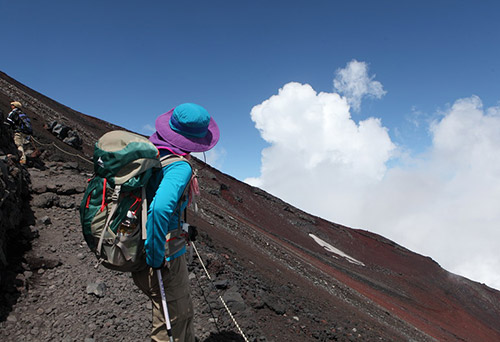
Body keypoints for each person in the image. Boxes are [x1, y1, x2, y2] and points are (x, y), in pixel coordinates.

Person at [132, 103, 219, 342]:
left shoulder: (152, 153)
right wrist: (156, 256)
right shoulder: (179, 167)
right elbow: (160, 209)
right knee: (173, 319)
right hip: (162, 255)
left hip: (135, 241)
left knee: (179, 310)